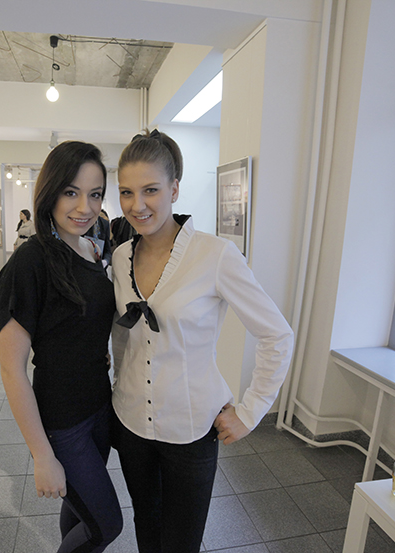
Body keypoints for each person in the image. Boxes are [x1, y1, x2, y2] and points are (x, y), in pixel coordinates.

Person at [111, 129, 294, 553]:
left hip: (191, 428)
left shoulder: (215, 255)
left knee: (182, 539)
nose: (138, 205)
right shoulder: (120, 257)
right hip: (131, 421)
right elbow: (123, 335)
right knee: (146, 523)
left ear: (174, 189)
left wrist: (250, 412)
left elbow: (277, 334)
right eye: (126, 192)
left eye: (151, 190)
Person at [0, 141, 122, 552]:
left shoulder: (91, 248)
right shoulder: (30, 261)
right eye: (71, 192)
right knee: (106, 526)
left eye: (95, 194)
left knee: (80, 512)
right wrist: (42, 455)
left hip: (99, 407)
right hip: (63, 423)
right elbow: (11, 369)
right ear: (49, 192)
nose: (85, 207)